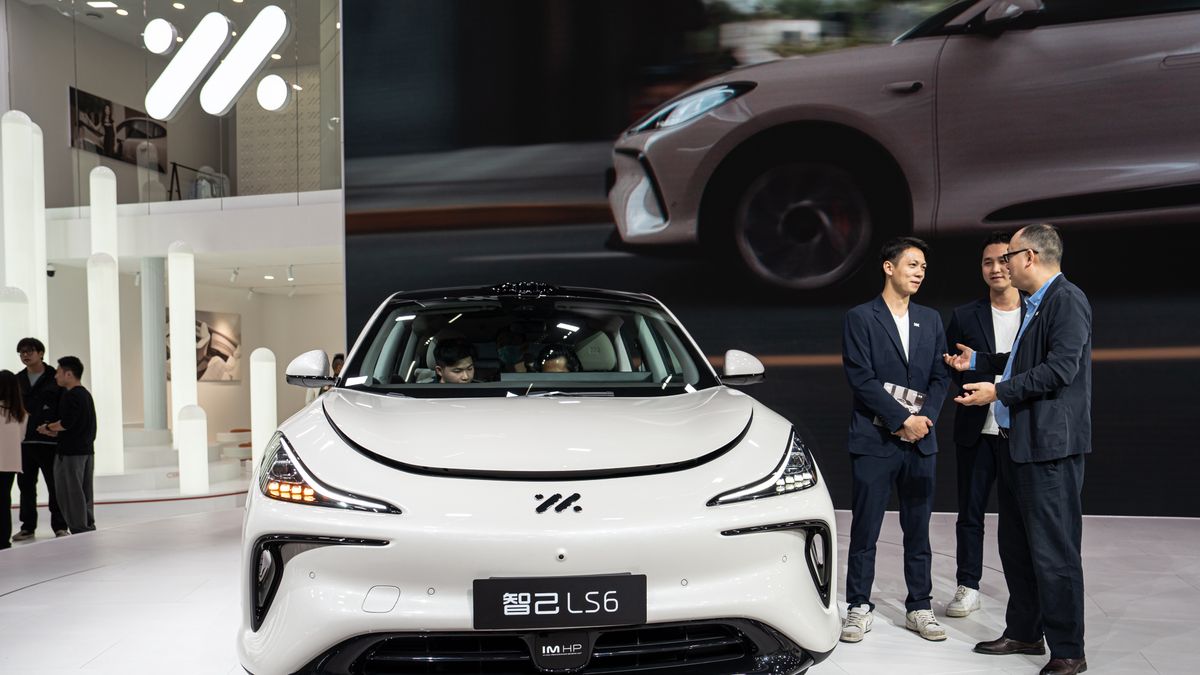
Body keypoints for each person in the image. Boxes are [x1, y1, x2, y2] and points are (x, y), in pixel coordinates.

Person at [945, 223, 1091, 675]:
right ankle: (1025, 631)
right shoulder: (1038, 302)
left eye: (1009, 255)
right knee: (1017, 545)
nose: (1003, 264)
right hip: (1021, 445)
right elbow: (1025, 361)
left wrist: (997, 391)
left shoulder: (1066, 300)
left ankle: (1068, 650)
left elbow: (1059, 370)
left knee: (1054, 549)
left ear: (1030, 257)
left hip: (1048, 449)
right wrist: (981, 364)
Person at [840, 236, 950, 643]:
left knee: (918, 528)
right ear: (889, 267)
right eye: (912, 264)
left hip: (921, 440)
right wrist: (902, 419)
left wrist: (924, 421)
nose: (920, 272)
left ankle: (919, 606)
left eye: (923, 266)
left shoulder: (931, 319)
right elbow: (860, 378)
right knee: (866, 526)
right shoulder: (861, 317)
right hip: (875, 438)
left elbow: (940, 378)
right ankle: (858, 606)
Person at [943, 232, 1023, 618]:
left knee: (1019, 516)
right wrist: (969, 389)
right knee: (970, 514)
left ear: (1019, 262)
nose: (996, 268)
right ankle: (968, 585)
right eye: (988, 262)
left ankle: (1023, 589)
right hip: (975, 429)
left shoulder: (1034, 313)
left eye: (1003, 260)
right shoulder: (964, 315)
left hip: (1021, 432)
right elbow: (953, 367)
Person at [12, 337, 68, 541]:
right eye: (22, 352)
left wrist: (58, 430)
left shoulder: (56, 377)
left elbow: (64, 407)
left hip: (49, 442)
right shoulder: (17, 380)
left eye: (29, 351)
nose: (25, 355)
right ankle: (27, 527)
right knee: (25, 487)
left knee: (55, 486)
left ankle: (60, 526)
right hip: (24, 443)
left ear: (41, 353)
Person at [39, 356, 98, 535]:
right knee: (84, 492)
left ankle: (79, 528)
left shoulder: (71, 395)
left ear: (69, 374)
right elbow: (80, 424)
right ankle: (87, 526)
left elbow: (66, 423)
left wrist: (48, 427)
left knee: (70, 493)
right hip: (86, 451)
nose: (56, 376)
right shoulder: (85, 394)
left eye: (58, 373)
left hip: (70, 453)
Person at [0, 370, 28, 550]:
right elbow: (21, 438)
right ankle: (3, 539)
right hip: (11, 463)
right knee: (4, 501)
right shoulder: (21, 413)